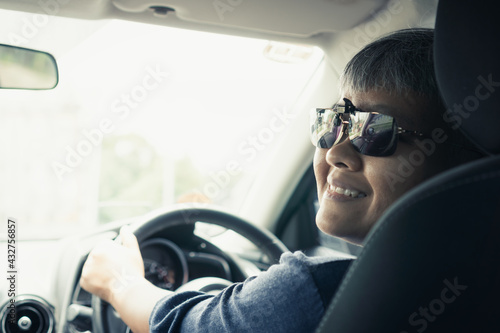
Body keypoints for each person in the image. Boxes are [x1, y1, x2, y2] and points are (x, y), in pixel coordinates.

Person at [80, 28, 483, 333]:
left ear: (461, 163)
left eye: (374, 131)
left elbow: (180, 324)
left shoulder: (318, 291)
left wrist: (121, 282)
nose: (335, 151)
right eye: (332, 123)